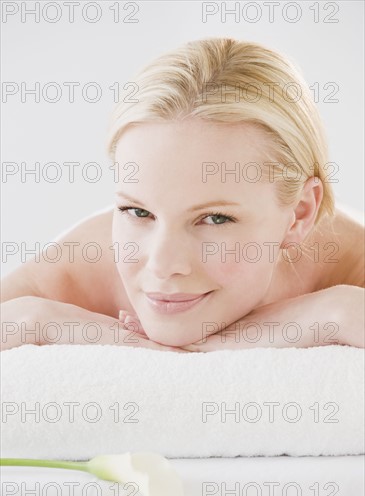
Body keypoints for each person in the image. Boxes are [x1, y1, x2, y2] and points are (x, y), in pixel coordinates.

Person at [1, 37, 364, 352]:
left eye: (215, 218)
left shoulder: (347, 260)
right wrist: (33, 318)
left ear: (299, 214)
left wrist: (338, 310)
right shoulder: (89, 263)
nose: (162, 263)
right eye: (137, 212)